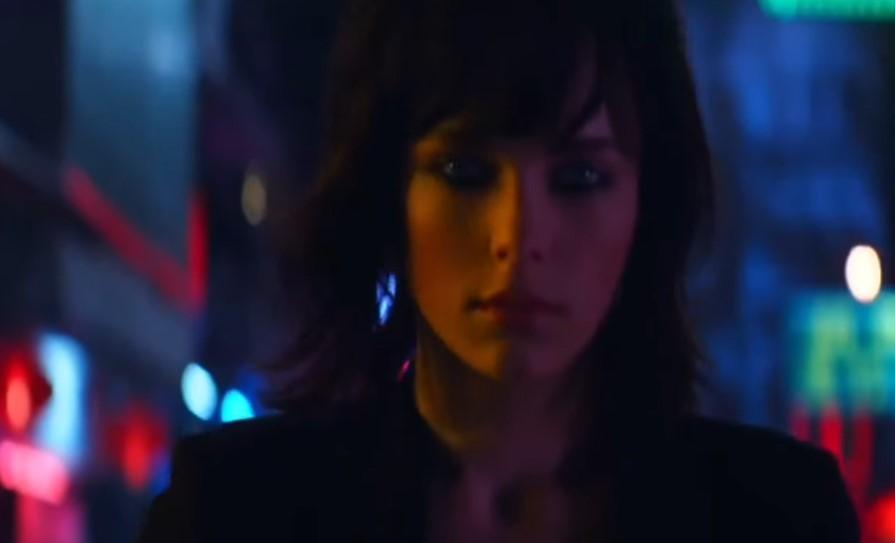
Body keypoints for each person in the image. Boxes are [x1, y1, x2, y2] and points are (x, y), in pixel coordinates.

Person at [139, 0, 860, 541]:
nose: (517, 236)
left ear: (649, 205)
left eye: (578, 178)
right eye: (464, 172)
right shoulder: (233, 513)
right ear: (389, 192)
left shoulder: (778, 517)